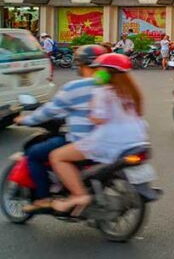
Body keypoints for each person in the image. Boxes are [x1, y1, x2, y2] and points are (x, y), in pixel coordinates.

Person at [49, 53, 148, 215]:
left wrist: (91, 107)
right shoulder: (132, 92)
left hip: (109, 141)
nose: (97, 73)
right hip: (137, 139)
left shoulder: (104, 92)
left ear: (106, 72)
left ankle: (79, 195)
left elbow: (97, 119)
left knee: (57, 156)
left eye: (100, 70)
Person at [14, 44, 104, 212]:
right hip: (110, 141)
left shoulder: (75, 87)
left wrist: (26, 120)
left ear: (80, 64)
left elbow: (48, 111)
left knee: (34, 153)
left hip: (83, 142)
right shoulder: (112, 85)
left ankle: (43, 198)